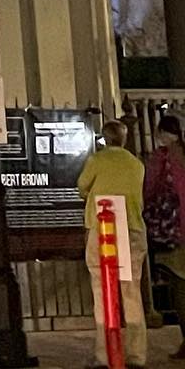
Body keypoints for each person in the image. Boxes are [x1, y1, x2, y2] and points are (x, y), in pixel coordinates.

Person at [79, 119, 147, 369]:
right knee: (131, 292)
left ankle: (104, 355)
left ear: (104, 139)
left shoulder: (98, 160)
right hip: (132, 230)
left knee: (101, 291)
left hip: (102, 230)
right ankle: (137, 356)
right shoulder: (136, 164)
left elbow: (82, 186)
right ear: (125, 138)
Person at [146, 112, 185, 353]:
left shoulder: (161, 158)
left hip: (174, 230)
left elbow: (148, 189)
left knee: (180, 285)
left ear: (162, 134)